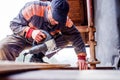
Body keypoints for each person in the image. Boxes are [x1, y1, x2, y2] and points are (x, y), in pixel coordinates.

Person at [0, 0, 88, 70]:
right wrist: (31, 32)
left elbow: (75, 35)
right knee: (3, 46)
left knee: (66, 38)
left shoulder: (65, 21)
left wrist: (81, 57)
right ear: (49, 8)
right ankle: (5, 71)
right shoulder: (33, 7)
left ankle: (37, 57)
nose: (57, 22)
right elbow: (14, 24)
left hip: (43, 43)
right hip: (23, 37)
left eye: (59, 20)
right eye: (55, 18)